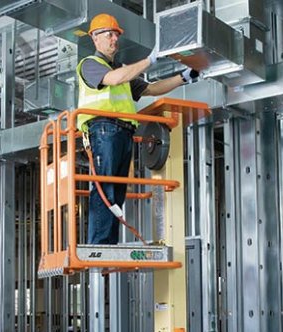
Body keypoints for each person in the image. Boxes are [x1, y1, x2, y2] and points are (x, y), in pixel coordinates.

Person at [78, 13, 199, 245]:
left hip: (123, 132)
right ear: (95, 38)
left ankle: (107, 245)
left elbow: (151, 89)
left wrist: (184, 77)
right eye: (109, 34)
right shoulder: (90, 65)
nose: (115, 39)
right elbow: (112, 79)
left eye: (116, 35)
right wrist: (149, 60)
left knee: (117, 193)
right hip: (103, 130)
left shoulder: (122, 71)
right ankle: (100, 245)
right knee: (105, 189)